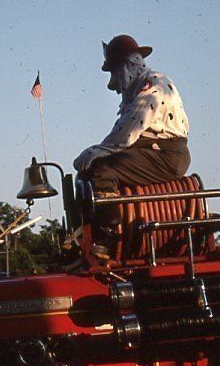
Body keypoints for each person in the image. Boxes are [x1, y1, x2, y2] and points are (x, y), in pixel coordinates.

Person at [74, 34, 191, 257]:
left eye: (113, 73)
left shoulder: (151, 87)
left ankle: (107, 235)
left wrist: (93, 152)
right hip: (154, 150)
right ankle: (87, 231)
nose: (114, 84)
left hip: (165, 154)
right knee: (95, 169)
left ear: (125, 67)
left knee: (102, 169)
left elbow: (125, 134)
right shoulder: (143, 86)